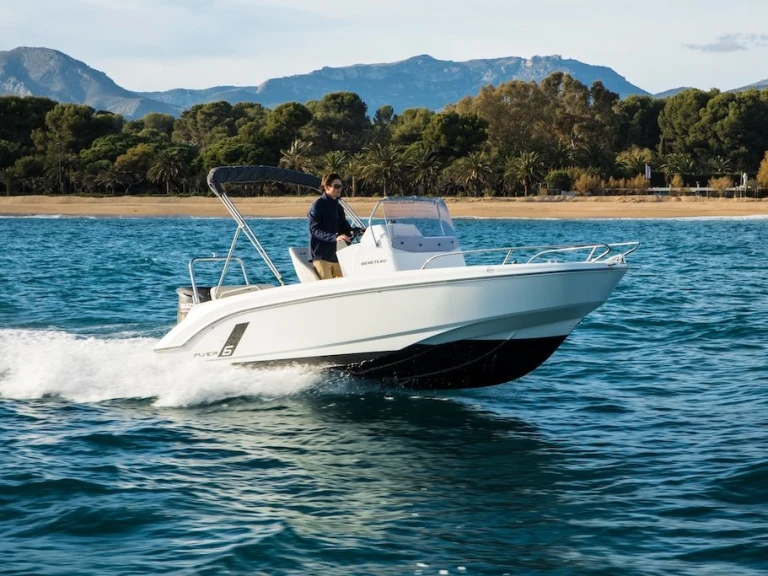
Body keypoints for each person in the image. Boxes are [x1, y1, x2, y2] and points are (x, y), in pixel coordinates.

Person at [307, 173, 361, 280]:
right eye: (336, 186)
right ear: (327, 187)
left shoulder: (338, 207)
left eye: (341, 186)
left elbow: (345, 229)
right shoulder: (317, 205)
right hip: (321, 257)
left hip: (337, 257)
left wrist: (360, 231)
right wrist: (335, 237)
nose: (339, 189)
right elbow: (314, 230)